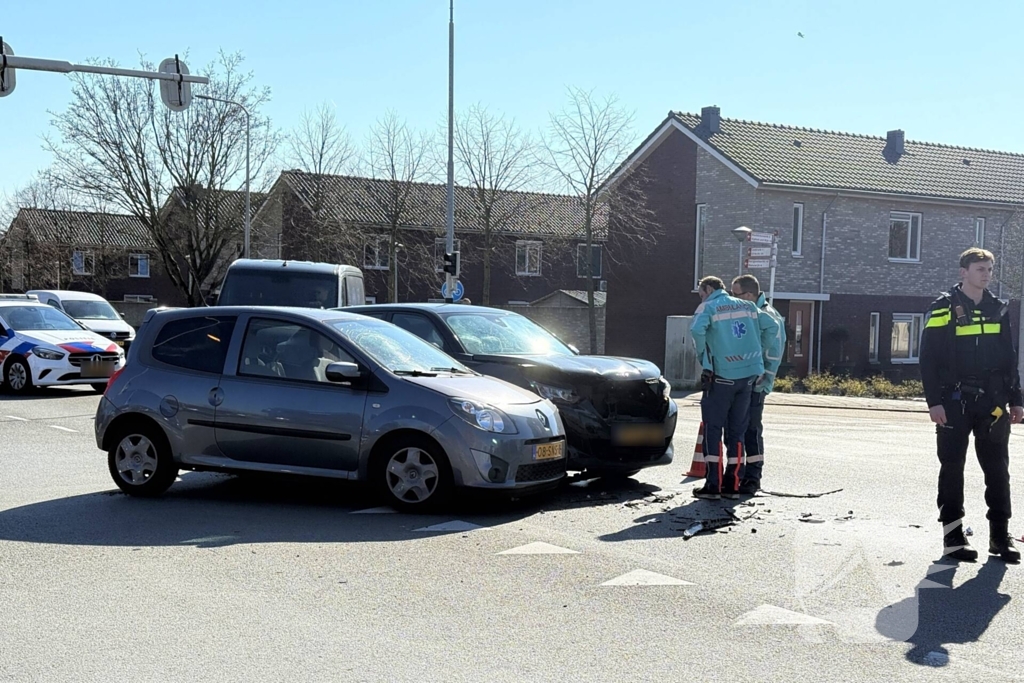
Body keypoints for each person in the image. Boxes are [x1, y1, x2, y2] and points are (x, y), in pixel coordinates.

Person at [920, 247, 1023, 562]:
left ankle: (999, 537)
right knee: (952, 469)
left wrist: (1017, 399)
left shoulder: (998, 308)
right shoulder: (943, 308)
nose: (986, 275)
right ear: (963, 272)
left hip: (992, 403)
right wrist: (934, 402)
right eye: (980, 269)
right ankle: (953, 539)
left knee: (998, 470)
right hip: (954, 401)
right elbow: (928, 359)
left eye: (989, 269)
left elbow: (1009, 358)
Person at [689, 276, 765, 499]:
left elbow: (696, 330)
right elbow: (766, 328)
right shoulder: (748, 306)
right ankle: (733, 485)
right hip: (748, 376)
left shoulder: (709, 307)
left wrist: (704, 358)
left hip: (721, 375)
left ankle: (714, 484)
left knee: (713, 430)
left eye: (701, 294)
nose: (702, 298)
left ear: (708, 289)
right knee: (737, 432)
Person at [730, 275, 786, 494]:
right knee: (736, 430)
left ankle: (753, 477)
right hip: (740, 381)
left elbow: (773, 354)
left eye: (735, 294)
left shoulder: (768, 316)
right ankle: (738, 475)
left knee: (751, 430)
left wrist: (763, 382)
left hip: (755, 385)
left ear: (749, 295)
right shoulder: (746, 312)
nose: (732, 299)